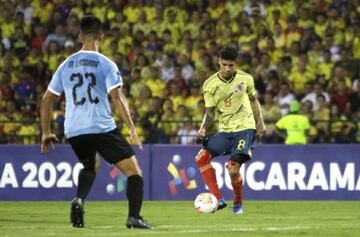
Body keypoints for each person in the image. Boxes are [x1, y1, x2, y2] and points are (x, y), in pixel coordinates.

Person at [40, 15, 152, 229]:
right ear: (102, 36)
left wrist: (45, 132)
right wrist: (131, 128)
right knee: (134, 171)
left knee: (91, 165)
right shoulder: (106, 63)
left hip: (73, 129)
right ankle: (134, 217)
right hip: (100, 126)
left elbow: (46, 100)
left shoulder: (65, 65)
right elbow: (117, 98)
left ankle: (79, 199)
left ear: (80, 36)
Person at [195, 46, 266, 214]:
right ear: (219, 62)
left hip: (245, 128)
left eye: (231, 65)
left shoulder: (246, 79)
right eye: (224, 64)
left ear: (236, 64)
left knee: (233, 170)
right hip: (226, 131)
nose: (228, 68)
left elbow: (254, 101)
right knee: (201, 158)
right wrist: (203, 127)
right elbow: (210, 112)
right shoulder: (209, 85)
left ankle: (238, 203)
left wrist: (260, 122)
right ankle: (218, 199)